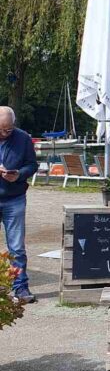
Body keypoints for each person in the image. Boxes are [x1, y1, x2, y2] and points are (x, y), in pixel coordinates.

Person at [0, 106, 39, 303]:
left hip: (14, 197)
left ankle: (21, 287)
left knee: (16, 247)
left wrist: (19, 175)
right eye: (0, 129)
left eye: (8, 129)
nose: (4, 133)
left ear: (13, 124)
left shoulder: (22, 138)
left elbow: (32, 165)